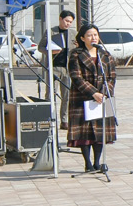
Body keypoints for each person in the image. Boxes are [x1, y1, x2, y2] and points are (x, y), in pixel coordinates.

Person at [66, 23, 118, 174]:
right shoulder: (76, 54)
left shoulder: (105, 55)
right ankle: (88, 163)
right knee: (85, 133)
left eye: (95, 35)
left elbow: (112, 77)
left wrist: (104, 93)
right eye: (89, 35)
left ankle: (97, 162)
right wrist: (93, 93)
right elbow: (76, 77)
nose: (93, 38)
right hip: (82, 97)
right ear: (82, 38)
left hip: (103, 97)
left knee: (100, 132)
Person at [49, 9, 76, 129]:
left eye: (70, 22)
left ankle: (64, 120)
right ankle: (50, 118)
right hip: (54, 67)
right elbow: (40, 47)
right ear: (60, 19)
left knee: (67, 95)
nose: (68, 24)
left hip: (67, 68)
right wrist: (50, 51)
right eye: (66, 21)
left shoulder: (74, 33)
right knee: (51, 94)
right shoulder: (51, 31)